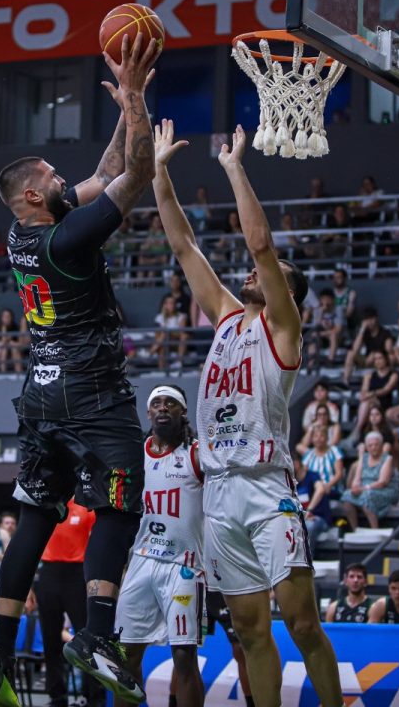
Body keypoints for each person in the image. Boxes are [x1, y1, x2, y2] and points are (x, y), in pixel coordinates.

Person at [0, 32, 159, 707]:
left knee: (34, 514)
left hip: (39, 392)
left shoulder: (31, 233)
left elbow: (108, 166)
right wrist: (138, 97)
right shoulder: (68, 235)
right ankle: (98, 635)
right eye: (51, 177)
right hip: (89, 389)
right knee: (121, 500)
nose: (62, 178)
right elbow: (134, 175)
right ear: (30, 196)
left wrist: (121, 112)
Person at [150, 120, 343, 707]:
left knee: (302, 624)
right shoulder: (228, 317)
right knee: (252, 632)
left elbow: (261, 245)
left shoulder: (282, 329)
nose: (253, 270)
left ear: (287, 292)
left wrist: (234, 168)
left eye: (269, 276)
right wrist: (159, 172)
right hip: (220, 494)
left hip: (265, 488)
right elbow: (183, 245)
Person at [115, 385, 204, 707]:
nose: (163, 408)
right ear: (149, 412)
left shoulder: (197, 454)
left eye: (171, 403)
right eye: (157, 403)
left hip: (184, 565)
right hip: (140, 562)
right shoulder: (134, 454)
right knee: (125, 656)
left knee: (183, 656)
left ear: (183, 412)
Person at [35, 498, 101, 707]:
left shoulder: (85, 505)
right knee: (50, 639)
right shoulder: (46, 504)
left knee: (85, 638)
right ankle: (57, 696)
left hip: (76, 574)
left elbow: (99, 540)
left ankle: (92, 696)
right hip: (48, 573)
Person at [341, 432, 399, 530]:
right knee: (347, 496)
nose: (373, 448)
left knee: (368, 496)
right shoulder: (363, 458)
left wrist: (363, 489)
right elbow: (357, 477)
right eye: (370, 445)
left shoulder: (387, 459)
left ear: (381, 445)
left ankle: (374, 529)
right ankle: (355, 529)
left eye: (376, 445)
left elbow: (383, 482)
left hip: (385, 489)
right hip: (364, 488)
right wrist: (355, 486)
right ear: (366, 447)